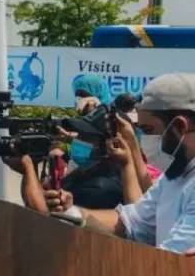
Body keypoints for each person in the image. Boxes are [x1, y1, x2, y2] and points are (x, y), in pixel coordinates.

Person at [47, 74, 195, 253]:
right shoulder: (173, 177)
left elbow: (172, 262)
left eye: (149, 131)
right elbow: (131, 222)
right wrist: (73, 213)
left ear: (180, 127)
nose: (146, 141)